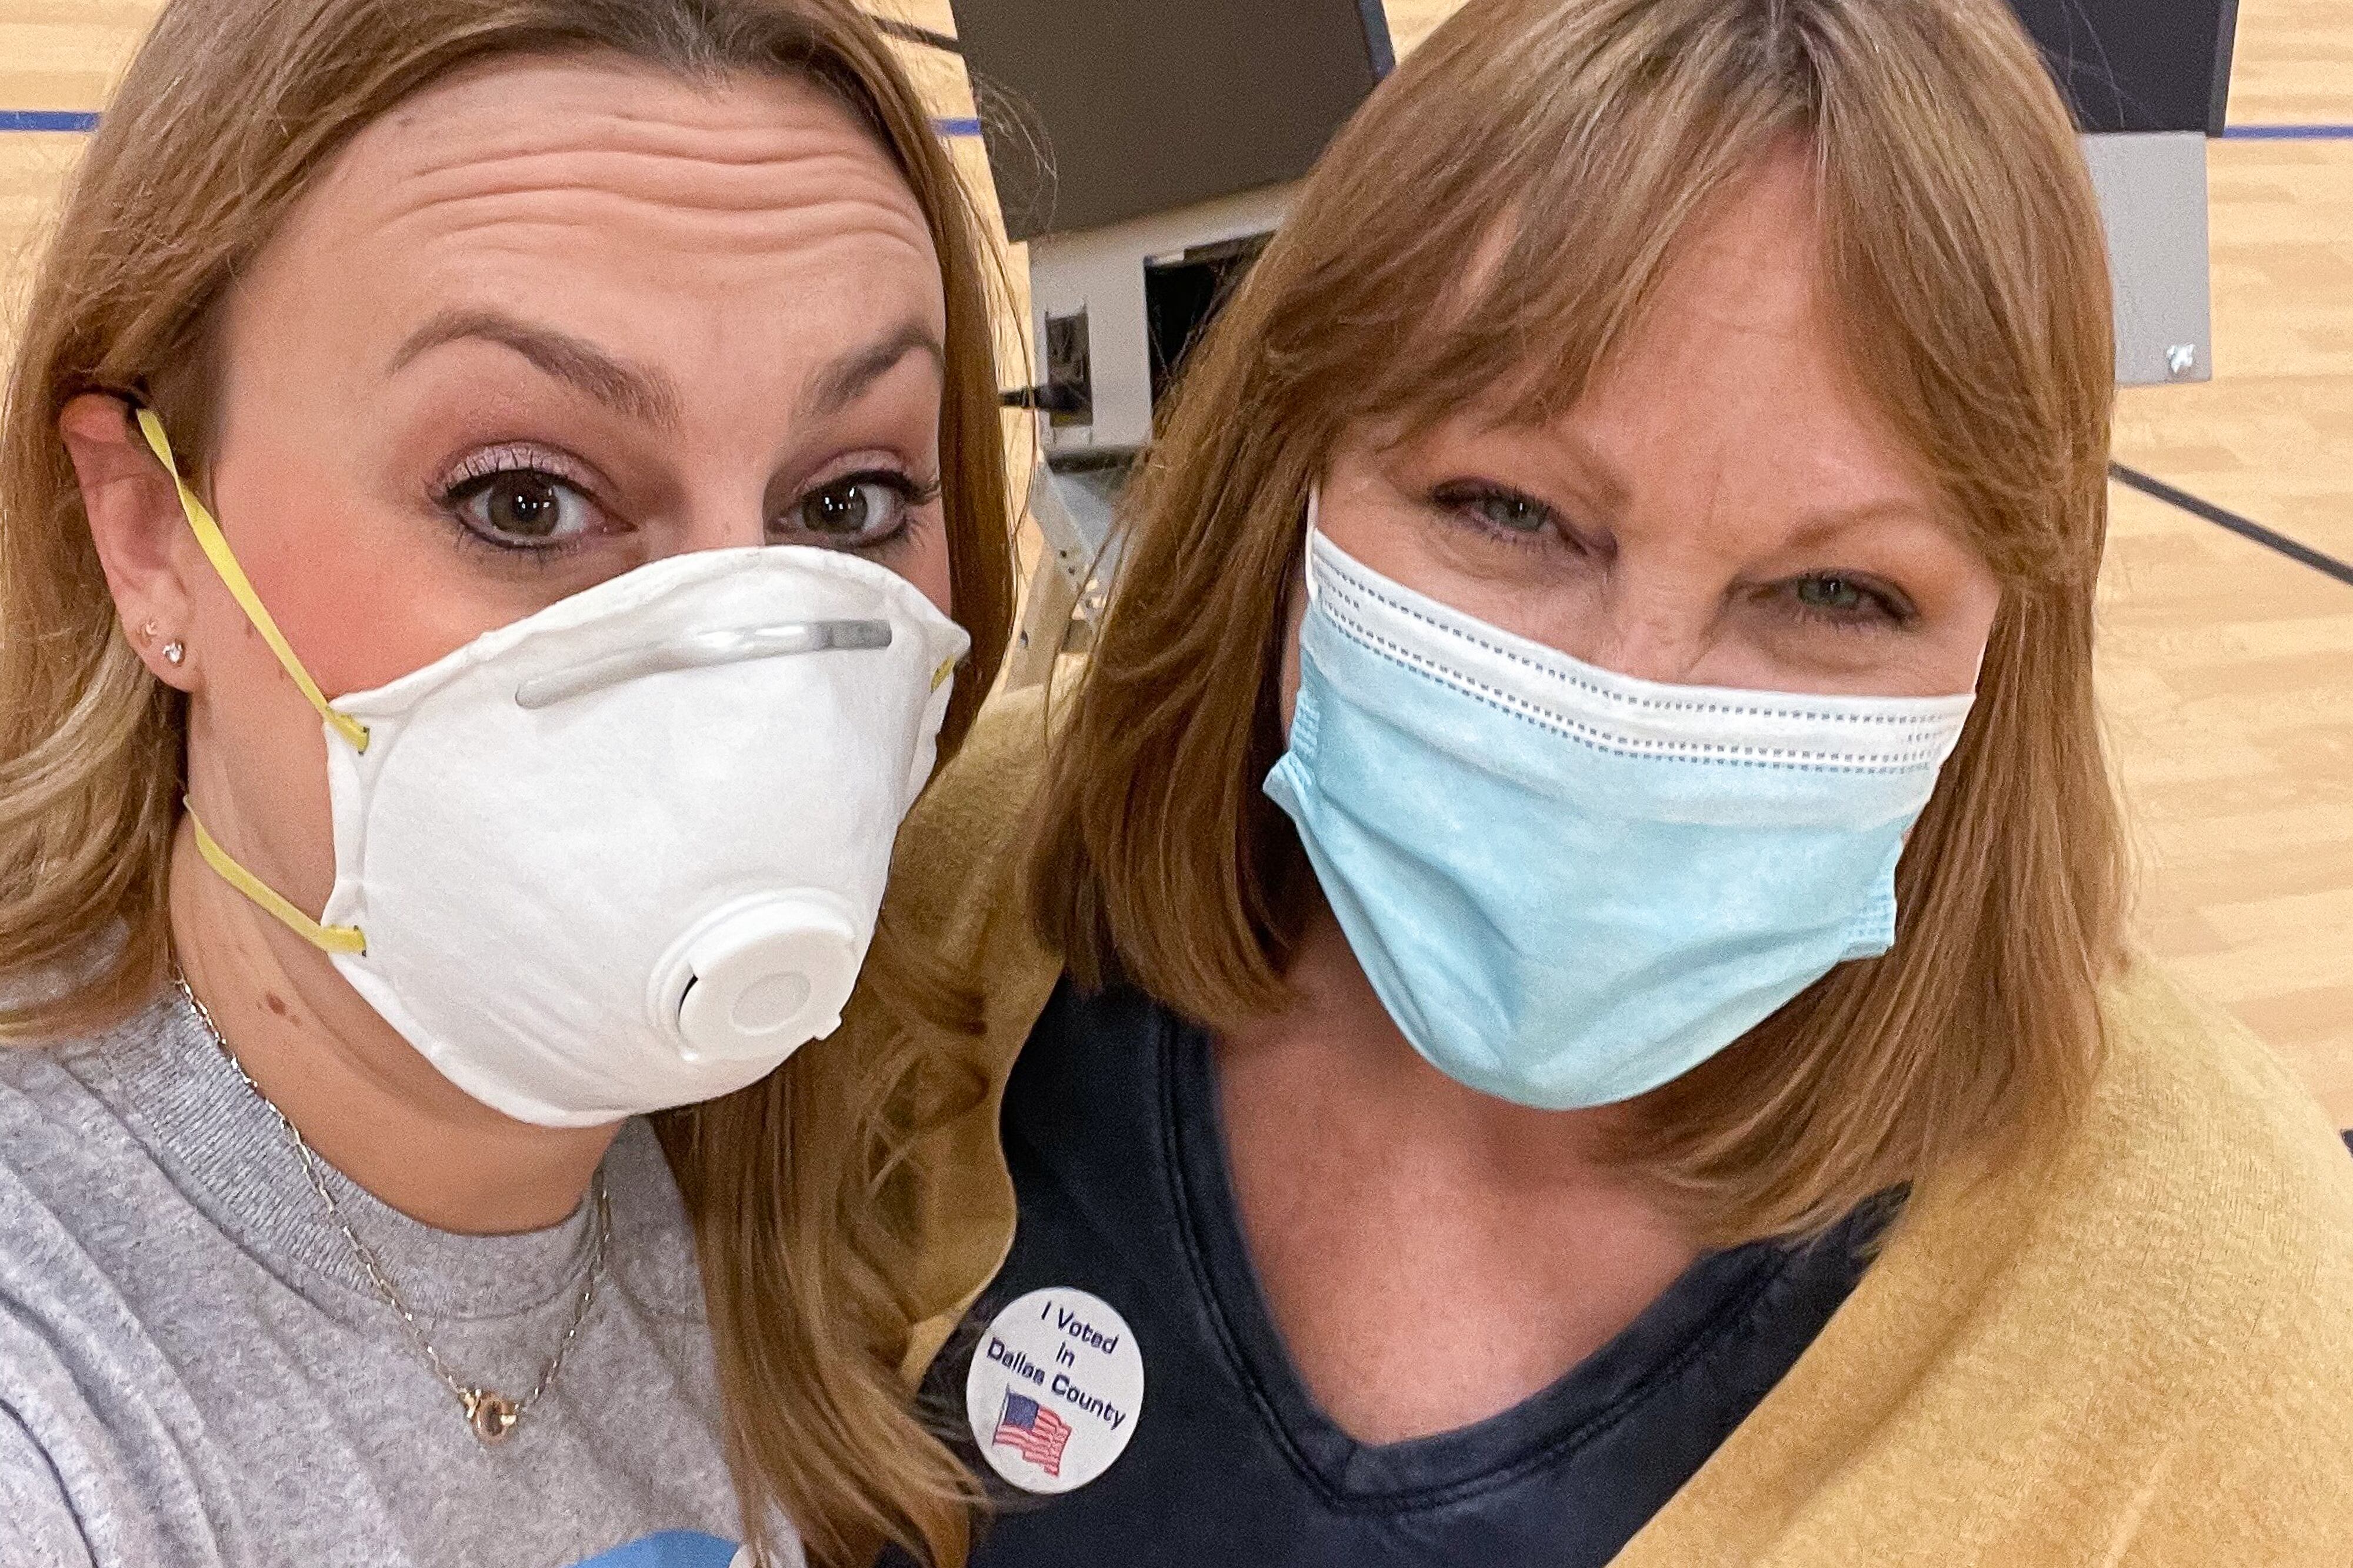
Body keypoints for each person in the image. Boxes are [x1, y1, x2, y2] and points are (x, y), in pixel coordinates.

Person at [705, 0, 2353, 1563]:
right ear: (1293, 478)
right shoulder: (940, 889)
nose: (1634, 699)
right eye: (1510, 511)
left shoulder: (2214, 1288)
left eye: (1837, 595)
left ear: (2010, 645)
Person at [0, 1, 1015, 1564]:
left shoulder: (780, 1181)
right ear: (150, 536)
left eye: (848, 501)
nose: (735, 686)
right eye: (525, 499)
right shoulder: (57, 1393)